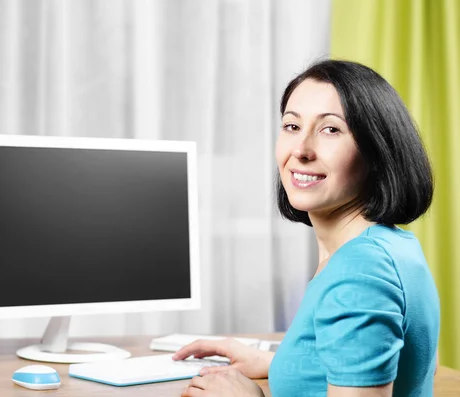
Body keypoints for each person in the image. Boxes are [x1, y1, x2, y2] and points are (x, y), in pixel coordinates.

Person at [173, 59, 440, 397]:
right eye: (292, 126)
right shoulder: (390, 245)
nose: (300, 150)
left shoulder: (361, 272)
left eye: (331, 129)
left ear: (376, 150)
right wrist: (277, 361)